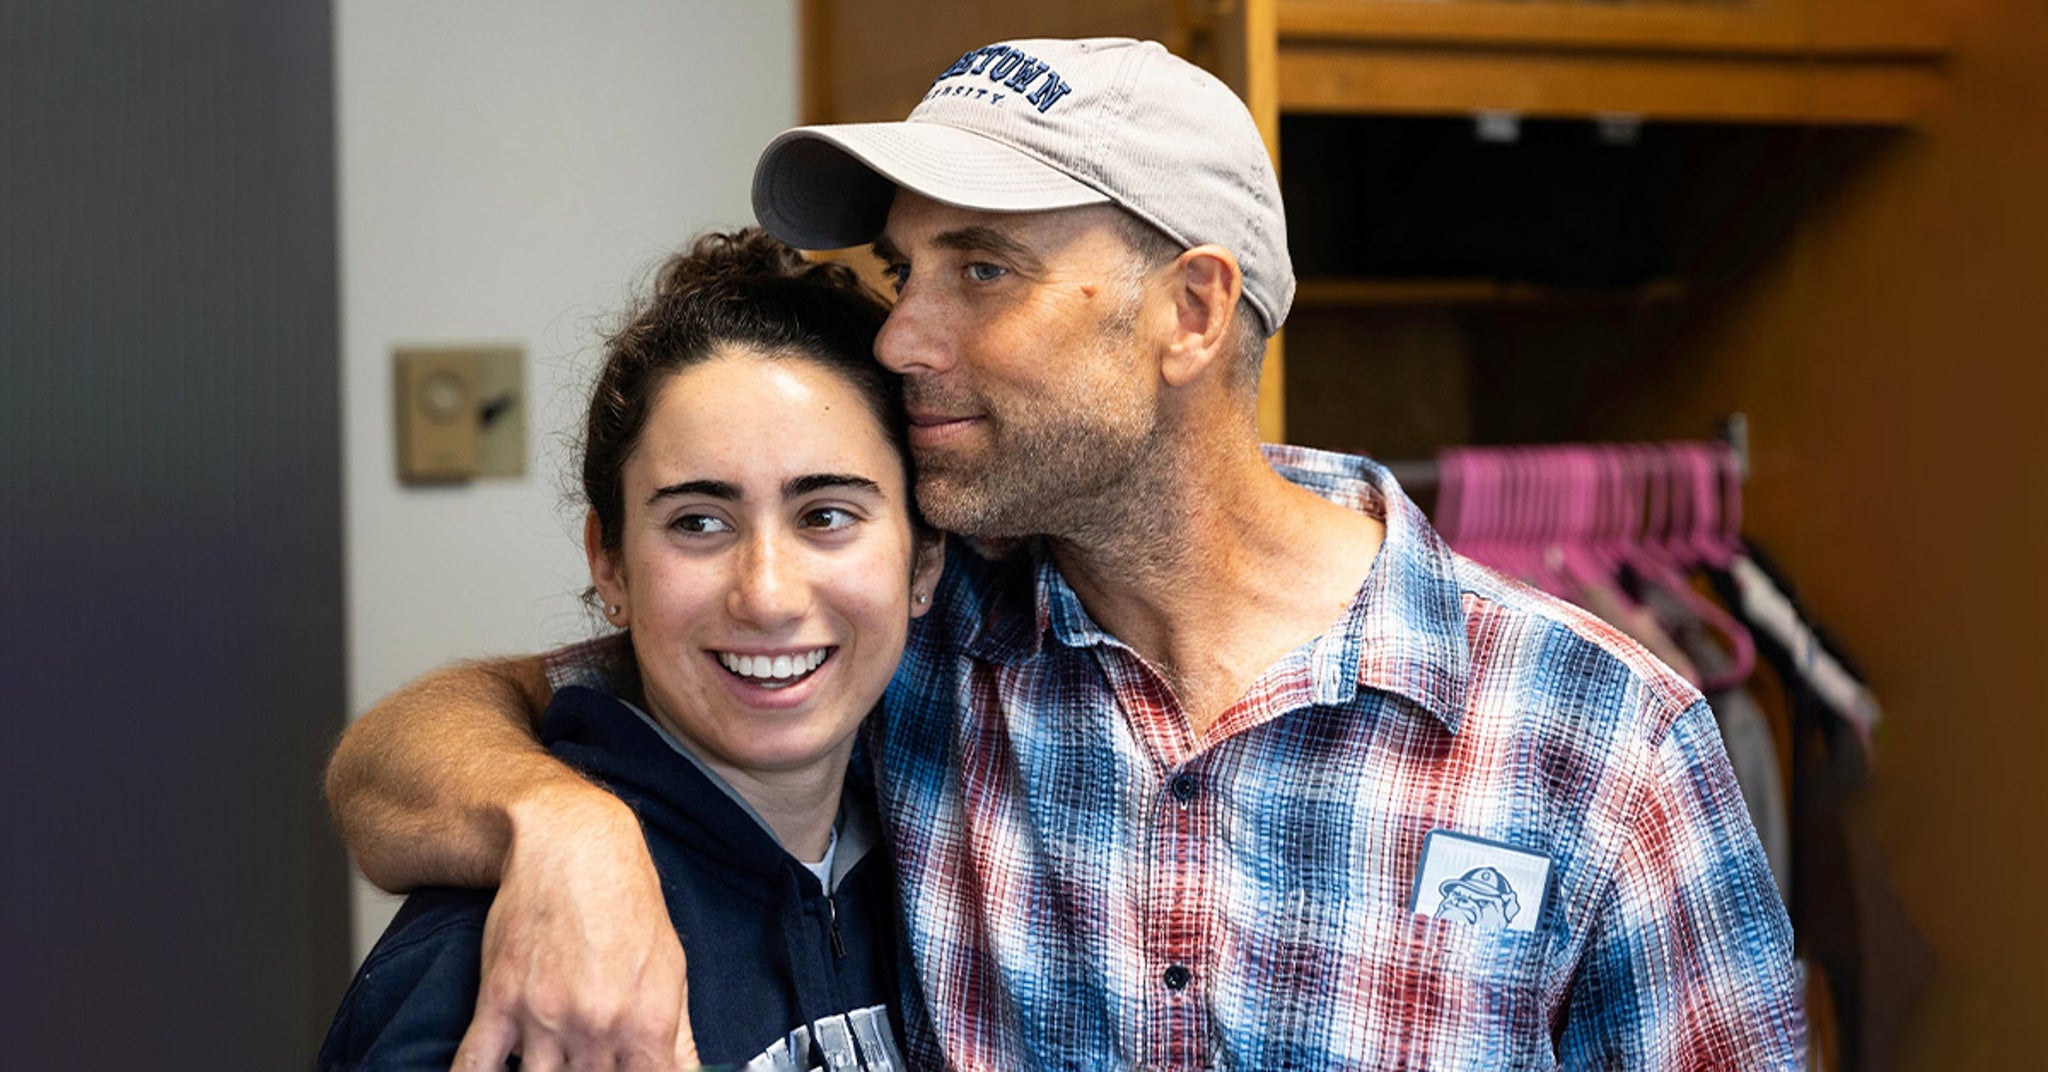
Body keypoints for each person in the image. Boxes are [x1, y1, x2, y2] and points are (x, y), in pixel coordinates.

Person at [327, 37, 1805, 1070]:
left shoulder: (1602, 745)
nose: (902, 336)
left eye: (984, 268)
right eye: (910, 271)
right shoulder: (895, 636)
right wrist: (560, 828)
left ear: (1188, 312)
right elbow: (413, 747)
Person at [319, 230, 939, 1071]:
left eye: (826, 515)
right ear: (608, 564)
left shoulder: (950, 875)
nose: (767, 595)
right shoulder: (508, 960)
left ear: (924, 562)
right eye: (698, 522)